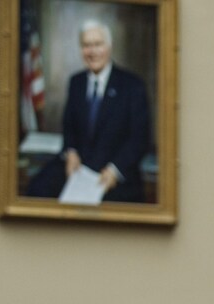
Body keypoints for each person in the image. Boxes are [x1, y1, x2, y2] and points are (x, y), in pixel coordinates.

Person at [26, 20, 152, 202]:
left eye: (97, 45)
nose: (92, 52)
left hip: (115, 172)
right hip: (78, 169)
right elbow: (69, 128)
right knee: (36, 190)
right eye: (86, 46)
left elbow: (139, 140)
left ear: (109, 47)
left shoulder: (132, 86)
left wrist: (115, 171)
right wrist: (71, 152)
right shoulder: (76, 82)